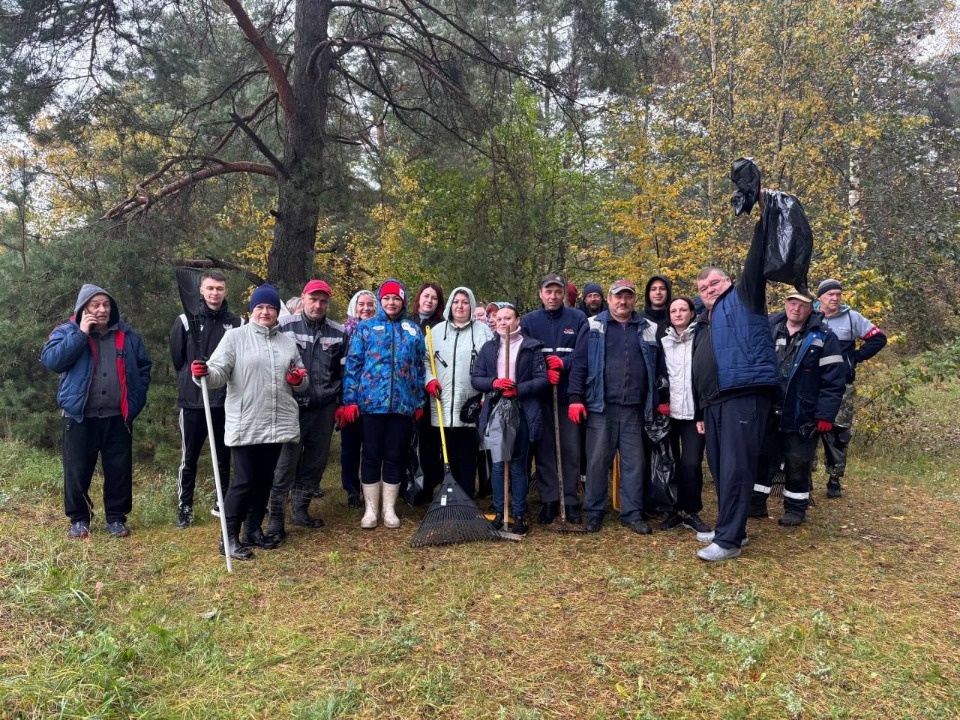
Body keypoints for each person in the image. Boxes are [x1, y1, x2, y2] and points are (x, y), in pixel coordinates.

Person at [691, 197, 780, 562]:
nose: (709, 289)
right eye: (703, 288)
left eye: (714, 283)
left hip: (743, 395)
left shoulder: (744, 298)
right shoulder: (709, 318)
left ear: (728, 281)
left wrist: (763, 210)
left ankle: (728, 542)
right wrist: (700, 409)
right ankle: (731, 527)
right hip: (714, 403)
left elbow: (756, 261)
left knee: (736, 467)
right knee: (721, 466)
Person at [190, 284, 307, 560]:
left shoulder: (287, 342)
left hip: (277, 422)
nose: (265, 312)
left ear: (278, 312)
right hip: (247, 422)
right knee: (243, 481)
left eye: (270, 307)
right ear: (251, 310)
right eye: (260, 307)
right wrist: (203, 372)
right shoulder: (235, 338)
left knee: (265, 480)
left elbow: (301, 379)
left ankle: (253, 531)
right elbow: (218, 373)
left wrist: (298, 380)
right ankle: (228, 537)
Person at [41, 284, 153, 539]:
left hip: (118, 416)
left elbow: (144, 366)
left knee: (119, 471)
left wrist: (137, 398)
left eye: (106, 305)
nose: (102, 310)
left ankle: (116, 519)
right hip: (80, 416)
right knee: (77, 471)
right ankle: (79, 520)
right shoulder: (66, 331)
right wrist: (81, 333)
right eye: (95, 305)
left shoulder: (127, 335)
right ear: (84, 308)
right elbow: (52, 361)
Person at [568, 280, 668, 534]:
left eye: (628, 297)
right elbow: (579, 364)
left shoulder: (648, 328)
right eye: (618, 297)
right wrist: (575, 398)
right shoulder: (592, 326)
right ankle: (594, 511)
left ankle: (632, 513)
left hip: (635, 408)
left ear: (634, 300)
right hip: (601, 406)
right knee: (597, 462)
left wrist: (660, 398)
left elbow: (659, 367)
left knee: (634, 463)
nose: (623, 302)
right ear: (609, 299)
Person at [751, 292, 846, 525]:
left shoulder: (824, 337)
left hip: (802, 413)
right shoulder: (770, 329)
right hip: (768, 410)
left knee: (798, 462)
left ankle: (795, 509)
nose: (795, 308)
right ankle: (755, 505)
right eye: (791, 303)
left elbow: (833, 381)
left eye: (801, 304)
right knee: (762, 459)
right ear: (785, 304)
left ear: (810, 307)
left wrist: (825, 415)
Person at [266, 279, 346, 543]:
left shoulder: (339, 332)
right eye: (313, 299)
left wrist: (342, 403)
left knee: (315, 462)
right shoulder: (283, 327)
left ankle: (300, 510)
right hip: (291, 407)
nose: (318, 305)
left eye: (323, 301)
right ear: (303, 298)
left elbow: (343, 372)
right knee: (285, 464)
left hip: (324, 408)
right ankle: (275, 519)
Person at [341, 279, 426, 529]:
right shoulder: (366, 328)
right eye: (387, 298)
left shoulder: (412, 329)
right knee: (371, 455)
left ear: (403, 301)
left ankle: (389, 509)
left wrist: (418, 400)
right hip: (370, 405)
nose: (391, 302)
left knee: (394, 456)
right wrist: (350, 400)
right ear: (381, 301)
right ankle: (370, 509)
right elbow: (353, 365)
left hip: (402, 406)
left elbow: (420, 367)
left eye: (396, 298)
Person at [170, 270, 241, 529]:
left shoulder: (236, 323)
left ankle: (220, 502)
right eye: (210, 288)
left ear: (226, 291)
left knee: (224, 455)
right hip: (193, 401)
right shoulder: (185, 320)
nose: (214, 293)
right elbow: (179, 359)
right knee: (190, 457)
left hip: (224, 400)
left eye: (219, 288)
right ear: (201, 290)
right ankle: (185, 507)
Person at [472, 303, 548, 535]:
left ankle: (519, 513)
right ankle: (499, 510)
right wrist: (494, 383)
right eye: (500, 319)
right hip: (497, 408)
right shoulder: (489, 348)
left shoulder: (531, 347)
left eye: (508, 318)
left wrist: (520, 389)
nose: (503, 323)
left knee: (516, 463)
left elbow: (542, 379)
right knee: (497, 464)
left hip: (521, 409)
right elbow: (477, 378)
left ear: (518, 320)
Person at [520, 273, 588, 524]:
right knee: (545, 448)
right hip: (541, 396)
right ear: (540, 294)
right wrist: (543, 371)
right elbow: (524, 355)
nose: (553, 296)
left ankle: (569, 500)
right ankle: (549, 499)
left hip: (568, 395)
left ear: (564, 294)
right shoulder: (529, 321)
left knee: (570, 448)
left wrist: (564, 363)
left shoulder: (578, 319)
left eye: (557, 291)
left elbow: (583, 357)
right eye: (548, 291)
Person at [815, 279, 888, 498]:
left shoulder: (850, 317)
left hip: (841, 387)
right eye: (830, 295)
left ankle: (834, 478)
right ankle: (802, 478)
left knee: (838, 433)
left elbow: (879, 338)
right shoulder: (811, 316)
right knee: (806, 431)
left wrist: (853, 359)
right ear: (820, 298)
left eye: (838, 294)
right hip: (812, 385)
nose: (835, 298)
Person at [424, 287, 494, 495]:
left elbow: (490, 364)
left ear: (471, 305)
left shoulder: (483, 332)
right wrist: (430, 380)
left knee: (468, 450)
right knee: (447, 451)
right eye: (456, 302)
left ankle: (466, 492)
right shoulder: (436, 332)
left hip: (470, 402)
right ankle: (448, 492)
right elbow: (426, 361)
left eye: (464, 302)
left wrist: (484, 396)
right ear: (449, 306)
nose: (460, 306)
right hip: (442, 400)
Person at [658, 297, 711, 537]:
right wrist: (661, 402)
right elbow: (657, 373)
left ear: (692, 313)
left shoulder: (702, 337)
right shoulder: (663, 340)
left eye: (683, 309)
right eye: (674, 310)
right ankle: (673, 509)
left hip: (693, 414)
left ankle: (691, 511)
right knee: (670, 462)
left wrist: (703, 411)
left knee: (691, 463)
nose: (678, 314)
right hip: (669, 413)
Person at [340, 289, 377, 507]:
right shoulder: (344, 332)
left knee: (370, 446)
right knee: (350, 446)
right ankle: (351, 489)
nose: (365, 308)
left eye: (370, 304)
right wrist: (343, 401)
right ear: (354, 307)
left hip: (372, 400)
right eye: (361, 304)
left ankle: (369, 487)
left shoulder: (380, 331)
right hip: (348, 398)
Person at [410, 282, 446, 502]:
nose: (429, 301)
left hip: (431, 393)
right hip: (407, 391)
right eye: (426, 296)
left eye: (434, 298)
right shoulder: (408, 322)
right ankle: (409, 483)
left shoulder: (440, 326)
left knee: (429, 442)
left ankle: (429, 484)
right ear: (419, 298)